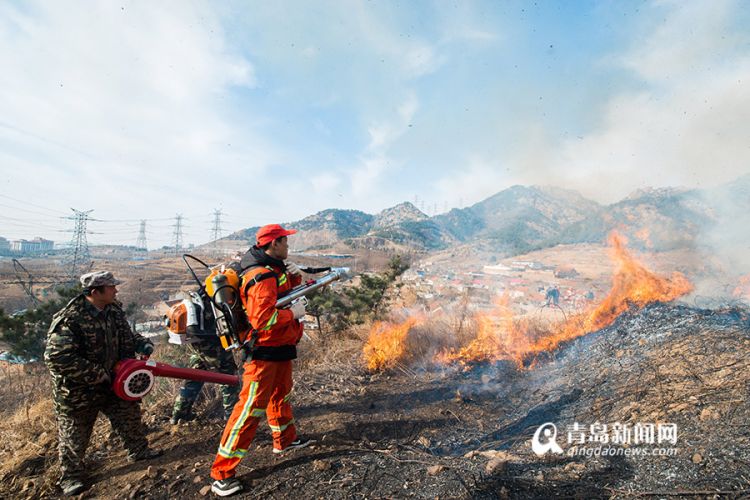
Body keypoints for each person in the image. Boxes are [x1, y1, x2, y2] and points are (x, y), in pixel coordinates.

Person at [210, 224, 311, 497]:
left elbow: (279, 297)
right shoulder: (261, 275)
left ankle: (284, 441)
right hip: (264, 353)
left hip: (280, 349)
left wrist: (296, 280)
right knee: (249, 410)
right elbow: (264, 319)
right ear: (273, 244)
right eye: (284, 242)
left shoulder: (273, 270)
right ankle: (222, 474)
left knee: (281, 396)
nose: (288, 246)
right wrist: (294, 314)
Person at [44, 271, 162, 496]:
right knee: (74, 436)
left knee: (128, 418)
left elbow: (126, 335)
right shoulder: (70, 318)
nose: (116, 290)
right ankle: (71, 477)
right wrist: (98, 374)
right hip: (79, 391)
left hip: (115, 382)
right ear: (95, 292)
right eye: (111, 287)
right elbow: (57, 358)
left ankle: (139, 451)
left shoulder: (113, 310)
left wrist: (142, 344)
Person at [171, 291, 240, 424]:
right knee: (228, 377)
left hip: (199, 340)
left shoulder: (205, 297)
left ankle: (180, 414)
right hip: (209, 341)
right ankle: (232, 418)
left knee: (196, 373)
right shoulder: (219, 294)